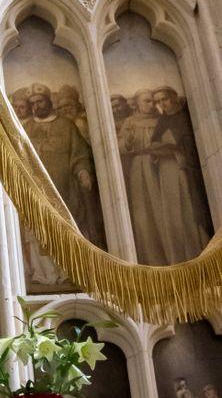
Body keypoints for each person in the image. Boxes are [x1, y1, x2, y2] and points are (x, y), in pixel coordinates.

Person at [24, 84, 106, 247]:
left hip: (67, 189)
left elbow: (80, 153)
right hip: (38, 189)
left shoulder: (66, 125)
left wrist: (83, 171)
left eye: (40, 101)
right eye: (32, 103)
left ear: (49, 101)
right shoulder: (26, 127)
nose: (36, 106)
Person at [150, 87, 212, 261]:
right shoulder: (163, 120)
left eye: (164, 99)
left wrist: (181, 150)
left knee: (197, 208)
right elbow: (154, 143)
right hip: (174, 169)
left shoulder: (187, 116)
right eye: (158, 102)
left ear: (173, 98)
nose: (162, 104)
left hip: (192, 171)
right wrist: (164, 149)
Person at [118, 90, 166, 264]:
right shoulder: (130, 122)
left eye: (153, 101)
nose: (151, 105)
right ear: (137, 103)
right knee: (144, 212)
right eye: (147, 101)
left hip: (162, 166)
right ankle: (151, 258)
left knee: (163, 210)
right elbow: (121, 146)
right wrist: (127, 141)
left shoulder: (162, 119)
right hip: (140, 167)